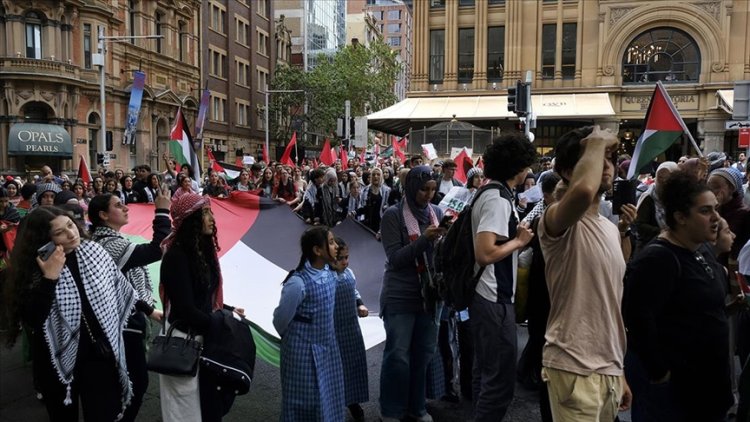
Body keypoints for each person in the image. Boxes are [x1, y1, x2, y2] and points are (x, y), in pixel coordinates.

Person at [4, 206, 136, 421]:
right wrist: (50, 278)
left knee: (104, 413)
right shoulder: (33, 269)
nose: (71, 233)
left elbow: (116, 288)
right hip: (54, 357)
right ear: (43, 240)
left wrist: (148, 310)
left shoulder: (93, 251)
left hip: (97, 352)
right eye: (60, 233)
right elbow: (34, 320)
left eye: (71, 225)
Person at [538, 125, 632, 421]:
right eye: (598, 157)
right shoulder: (555, 218)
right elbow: (582, 191)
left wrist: (619, 371)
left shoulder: (608, 227)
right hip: (572, 367)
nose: (607, 165)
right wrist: (595, 142)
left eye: (610, 158)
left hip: (609, 367)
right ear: (568, 171)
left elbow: (611, 294)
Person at [624, 170, 733, 421]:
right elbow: (638, 320)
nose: (716, 218)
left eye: (715, 208)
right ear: (680, 217)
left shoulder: (701, 249)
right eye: (705, 211)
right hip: (677, 397)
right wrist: (660, 372)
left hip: (709, 390)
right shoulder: (658, 259)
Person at [470, 133, 536, 421]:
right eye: (526, 165)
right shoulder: (497, 198)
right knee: (498, 380)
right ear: (517, 167)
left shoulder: (493, 193)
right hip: (493, 296)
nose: (528, 171)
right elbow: (484, 253)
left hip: (489, 296)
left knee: (486, 372)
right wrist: (518, 241)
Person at [89, 189, 171, 422]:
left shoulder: (110, 241)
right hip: (122, 327)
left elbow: (124, 287)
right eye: (118, 205)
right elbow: (157, 249)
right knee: (134, 382)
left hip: (125, 322)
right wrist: (162, 210)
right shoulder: (108, 245)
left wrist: (148, 310)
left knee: (124, 382)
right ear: (103, 215)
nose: (126, 208)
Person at [159, 193, 238, 421]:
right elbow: (185, 308)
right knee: (187, 412)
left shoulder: (204, 251)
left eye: (211, 212)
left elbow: (204, 297)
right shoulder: (176, 256)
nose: (212, 218)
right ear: (190, 219)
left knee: (209, 408)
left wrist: (228, 311)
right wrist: (221, 324)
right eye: (205, 213)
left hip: (205, 339)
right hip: (184, 342)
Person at [378, 166, 445, 422]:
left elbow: (439, 256)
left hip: (429, 297)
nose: (428, 195)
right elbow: (395, 259)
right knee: (398, 356)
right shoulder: (393, 215)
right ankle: (392, 410)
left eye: (432, 190)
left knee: (423, 354)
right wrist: (424, 240)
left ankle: (417, 407)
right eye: (423, 190)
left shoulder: (436, 213)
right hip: (400, 296)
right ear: (410, 188)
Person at [273, 226, 345, 421]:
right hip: (302, 353)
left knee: (328, 395)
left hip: (327, 347)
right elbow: (280, 320)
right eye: (330, 242)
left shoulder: (330, 273)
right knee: (303, 401)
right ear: (317, 250)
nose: (336, 246)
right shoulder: (297, 283)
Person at [330, 237, 369, 422]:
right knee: (335, 370)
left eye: (347, 257)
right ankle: (334, 405)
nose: (345, 262)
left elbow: (354, 291)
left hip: (351, 331)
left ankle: (353, 402)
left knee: (353, 368)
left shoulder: (349, 273)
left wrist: (360, 304)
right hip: (333, 333)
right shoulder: (326, 279)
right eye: (341, 258)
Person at [361, 167, 391, 233]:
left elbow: (388, 208)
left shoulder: (387, 190)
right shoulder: (365, 190)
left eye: (378, 174)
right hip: (368, 222)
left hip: (381, 223)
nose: (375, 176)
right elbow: (363, 207)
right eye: (373, 174)